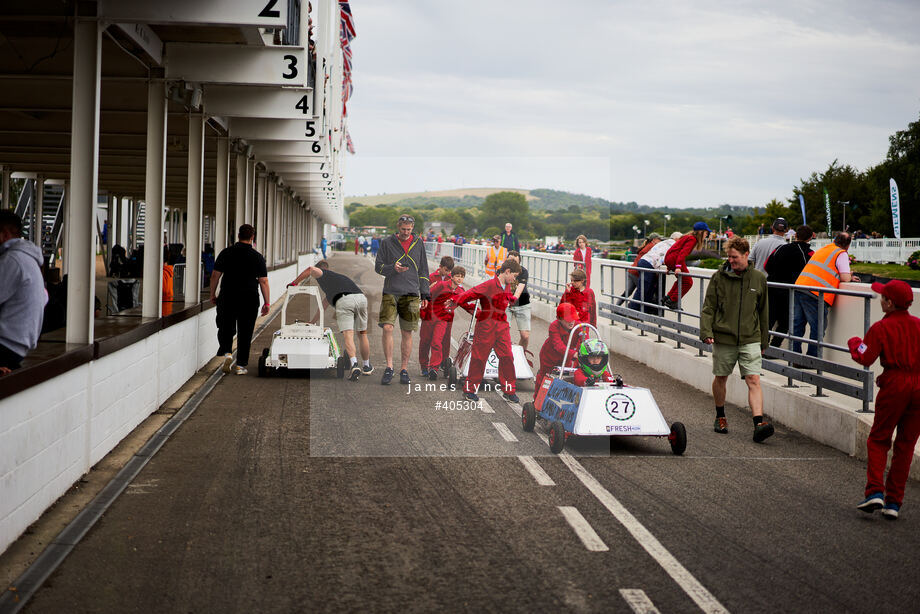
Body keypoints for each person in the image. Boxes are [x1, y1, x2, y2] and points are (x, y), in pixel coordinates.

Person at [849, 280, 920, 520]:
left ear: (890, 303)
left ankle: (875, 491)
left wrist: (854, 343)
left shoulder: (881, 328)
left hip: (894, 386)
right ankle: (894, 502)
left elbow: (865, 357)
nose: (880, 300)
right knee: (906, 445)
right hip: (918, 386)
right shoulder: (919, 325)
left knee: (879, 439)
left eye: (883, 298)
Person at [700, 236, 773, 443]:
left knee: (754, 379)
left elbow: (764, 313)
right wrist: (706, 332)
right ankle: (720, 416)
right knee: (721, 377)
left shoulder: (758, 279)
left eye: (735, 257)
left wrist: (764, 342)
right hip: (724, 337)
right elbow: (709, 308)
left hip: (751, 338)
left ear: (746, 255)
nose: (731, 261)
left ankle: (759, 423)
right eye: (729, 257)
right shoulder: (718, 277)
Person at [449, 259, 521, 402]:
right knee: (479, 358)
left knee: (507, 356)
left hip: (501, 325)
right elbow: (471, 293)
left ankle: (509, 389)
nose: (515, 279)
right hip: (486, 325)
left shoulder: (506, 285)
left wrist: (513, 297)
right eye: (514, 275)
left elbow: (505, 298)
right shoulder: (489, 285)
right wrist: (455, 300)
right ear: (507, 272)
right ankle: (469, 390)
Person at [288, 260, 372, 381]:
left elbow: (310, 269)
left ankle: (354, 364)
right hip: (361, 299)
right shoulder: (333, 286)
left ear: (322, 270)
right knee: (362, 334)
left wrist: (294, 283)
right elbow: (322, 308)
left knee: (348, 334)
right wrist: (312, 322)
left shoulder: (324, 274)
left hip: (344, 300)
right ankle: (367, 366)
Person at [374, 214, 431, 385]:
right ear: (398, 227)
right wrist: (393, 269)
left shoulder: (419, 243)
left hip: (411, 293)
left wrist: (425, 293)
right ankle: (389, 367)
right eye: (403, 229)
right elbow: (379, 267)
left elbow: (423, 270)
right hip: (391, 291)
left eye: (409, 229)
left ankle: (404, 369)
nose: (406, 232)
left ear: (413, 228)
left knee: (407, 333)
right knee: (387, 328)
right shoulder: (386, 242)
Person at [210, 224, 270, 375]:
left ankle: (227, 352)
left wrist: (212, 294)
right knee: (246, 331)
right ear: (252, 237)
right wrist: (267, 302)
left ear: (238, 236)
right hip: (249, 298)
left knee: (225, 326)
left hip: (228, 295)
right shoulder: (257, 257)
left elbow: (215, 276)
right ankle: (240, 365)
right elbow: (263, 281)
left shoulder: (226, 253)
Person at [792, 232, 860, 358]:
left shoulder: (825, 249)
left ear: (835, 240)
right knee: (817, 326)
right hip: (816, 292)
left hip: (800, 286)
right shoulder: (841, 253)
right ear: (848, 245)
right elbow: (845, 278)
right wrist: (850, 275)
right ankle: (812, 359)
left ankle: (794, 356)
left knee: (797, 325)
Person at [0, 210, 47, 374]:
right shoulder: (29, 259)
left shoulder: (12, 260)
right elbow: (45, 297)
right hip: (19, 346)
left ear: (4, 234)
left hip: (5, 345)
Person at [764, 225, 814, 347]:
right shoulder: (810, 253)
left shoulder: (781, 248)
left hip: (772, 287)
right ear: (810, 238)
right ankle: (774, 347)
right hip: (790, 291)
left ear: (795, 235)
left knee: (768, 320)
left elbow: (766, 265)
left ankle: (762, 346)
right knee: (785, 322)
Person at [425, 266, 472, 380]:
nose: (459, 279)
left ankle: (440, 366)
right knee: (432, 341)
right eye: (457, 276)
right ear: (452, 276)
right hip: (434, 316)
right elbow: (428, 294)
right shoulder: (442, 285)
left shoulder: (461, 291)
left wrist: (482, 313)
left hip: (446, 319)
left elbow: (466, 306)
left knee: (442, 342)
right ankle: (432, 367)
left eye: (462, 277)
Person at [419, 256, 455, 377]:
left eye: (450, 271)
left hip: (446, 314)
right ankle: (424, 365)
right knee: (425, 340)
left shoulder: (452, 278)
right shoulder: (431, 277)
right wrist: (430, 288)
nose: (448, 273)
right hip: (430, 312)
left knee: (444, 339)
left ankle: (441, 364)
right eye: (446, 270)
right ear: (440, 267)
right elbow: (422, 293)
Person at [630, 231, 681, 314]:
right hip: (649, 264)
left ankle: (642, 311)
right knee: (644, 289)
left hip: (644, 262)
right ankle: (633, 310)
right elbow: (671, 257)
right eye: (681, 239)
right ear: (676, 238)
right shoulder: (674, 244)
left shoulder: (665, 242)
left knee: (648, 289)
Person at [663, 222, 709, 310]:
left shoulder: (687, 237)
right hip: (675, 260)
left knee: (682, 280)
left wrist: (669, 267)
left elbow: (673, 250)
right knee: (688, 282)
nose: (707, 234)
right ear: (700, 232)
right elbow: (682, 253)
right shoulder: (692, 239)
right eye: (706, 232)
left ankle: (668, 297)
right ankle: (672, 301)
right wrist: (678, 266)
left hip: (670, 259)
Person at [535, 303, 579, 390]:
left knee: (564, 379)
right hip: (549, 357)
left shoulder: (578, 326)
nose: (571, 321)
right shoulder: (554, 326)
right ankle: (537, 400)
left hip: (566, 357)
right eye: (568, 319)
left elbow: (585, 341)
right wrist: (575, 354)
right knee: (545, 379)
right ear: (559, 319)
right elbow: (559, 346)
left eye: (573, 318)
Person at [617, 233, 660, 306]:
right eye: (659, 239)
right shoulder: (653, 247)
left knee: (627, 292)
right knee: (644, 293)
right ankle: (631, 307)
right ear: (654, 240)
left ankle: (616, 306)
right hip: (637, 273)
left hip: (631, 270)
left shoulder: (646, 245)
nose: (660, 241)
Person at [506, 250, 532, 352]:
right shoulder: (501, 271)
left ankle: (522, 354)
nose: (513, 264)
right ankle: (505, 354)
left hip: (522, 302)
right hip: (506, 303)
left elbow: (519, 289)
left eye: (515, 261)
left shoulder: (523, 272)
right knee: (503, 332)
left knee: (525, 336)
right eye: (510, 261)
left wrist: (513, 299)